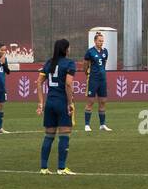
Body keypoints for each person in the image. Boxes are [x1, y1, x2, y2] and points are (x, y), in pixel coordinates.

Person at [37, 38, 77, 174]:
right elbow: (68, 84)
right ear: (66, 49)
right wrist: (70, 103)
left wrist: (41, 103)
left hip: (50, 103)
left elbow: (38, 82)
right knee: (64, 135)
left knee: (49, 136)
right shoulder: (69, 63)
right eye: (69, 47)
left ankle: (43, 168)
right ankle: (61, 168)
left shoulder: (49, 63)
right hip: (61, 103)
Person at [82, 31, 111, 132]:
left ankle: (102, 125)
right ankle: (87, 125)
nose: (101, 42)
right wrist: (88, 73)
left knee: (103, 101)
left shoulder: (105, 51)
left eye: (102, 41)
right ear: (95, 41)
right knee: (90, 101)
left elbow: (104, 63)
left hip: (102, 80)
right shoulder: (90, 52)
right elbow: (85, 65)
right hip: (93, 79)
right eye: (99, 41)